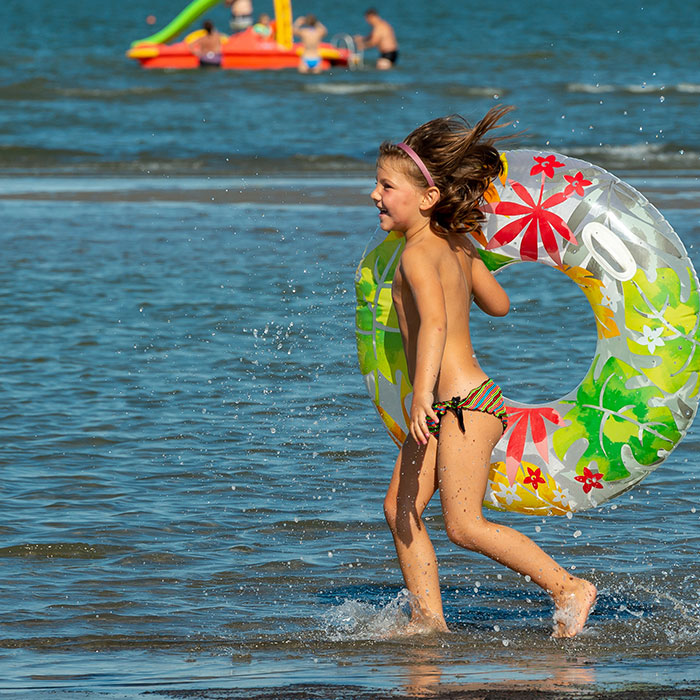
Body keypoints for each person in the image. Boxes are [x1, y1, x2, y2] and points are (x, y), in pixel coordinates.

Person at [371, 105, 597, 638]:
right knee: (399, 507)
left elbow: (434, 329)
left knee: (464, 526)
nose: (374, 196)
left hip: (459, 404)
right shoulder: (457, 245)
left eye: (385, 186)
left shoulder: (415, 256)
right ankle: (429, 621)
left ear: (427, 199)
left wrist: (420, 394)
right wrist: (471, 264)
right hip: (461, 401)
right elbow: (499, 305)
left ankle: (569, 587)